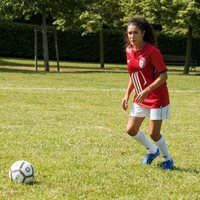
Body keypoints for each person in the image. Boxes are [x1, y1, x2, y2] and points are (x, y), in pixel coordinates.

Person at [121, 16, 174, 170]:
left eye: (135, 32)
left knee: (153, 133)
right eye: (129, 33)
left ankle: (167, 159)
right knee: (131, 129)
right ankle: (152, 151)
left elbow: (164, 76)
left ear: (143, 33)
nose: (132, 36)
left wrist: (147, 90)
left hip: (157, 97)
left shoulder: (152, 52)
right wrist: (127, 94)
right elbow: (133, 75)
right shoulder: (129, 51)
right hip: (141, 97)